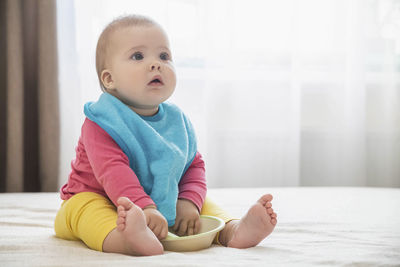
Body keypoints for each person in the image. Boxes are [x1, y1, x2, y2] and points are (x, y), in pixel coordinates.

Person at [54, 14, 277, 256]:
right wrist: (145, 208)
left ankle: (232, 230)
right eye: (138, 56)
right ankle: (125, 239)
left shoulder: (176, 121)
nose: (155, 64)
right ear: (109, 79)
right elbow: (113, 172)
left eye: (164, 56)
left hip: (156, 201)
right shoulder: (101, 122)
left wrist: (188, 202)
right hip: (98, 196)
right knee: (87, 213)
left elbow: (192, 166)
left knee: (203, 204)